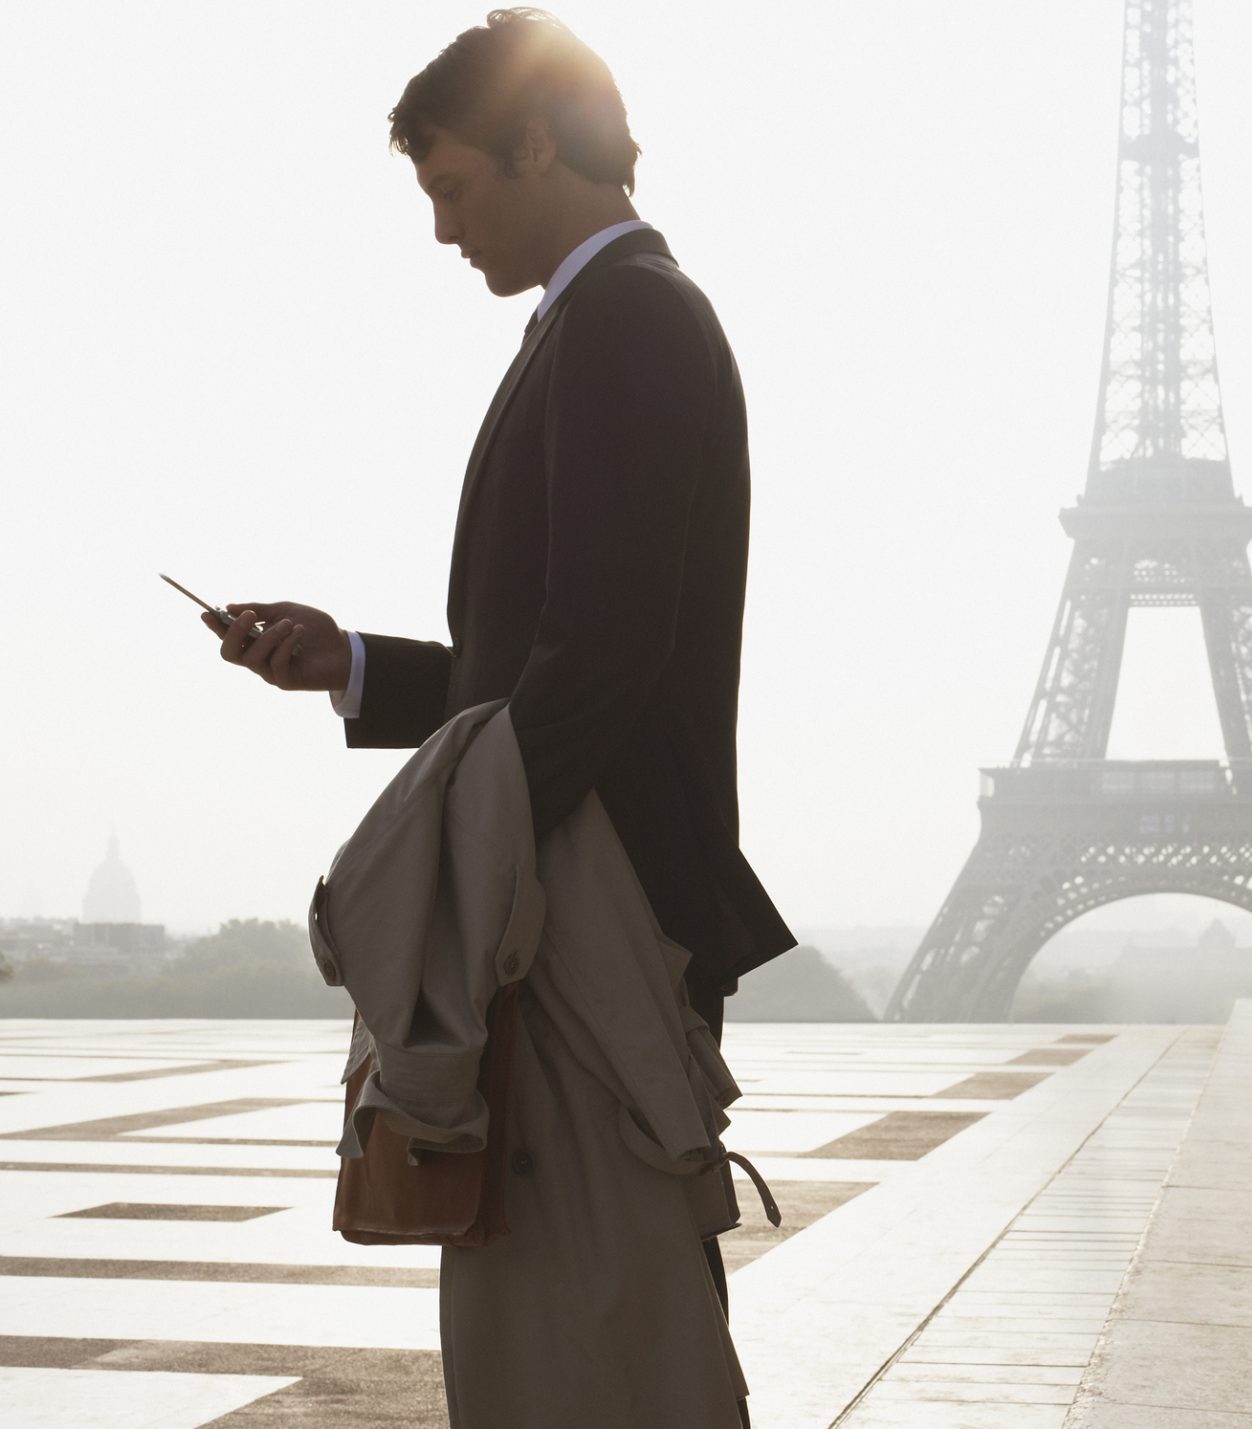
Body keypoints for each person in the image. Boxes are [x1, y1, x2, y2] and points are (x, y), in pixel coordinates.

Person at [203, 8, 791, 1422]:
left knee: (600, 1328)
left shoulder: (628, 319)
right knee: (591, 1322)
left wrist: (460, 862)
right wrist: (346, 662)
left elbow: (599, 659)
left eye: (453, 187)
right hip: (574, 876)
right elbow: (538, 661)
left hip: (588, 897)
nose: (443, 229)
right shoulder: (603, 320)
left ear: (540, 143)